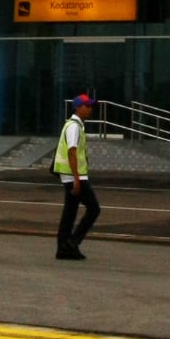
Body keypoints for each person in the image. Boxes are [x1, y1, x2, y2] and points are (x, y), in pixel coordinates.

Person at [56, 92, 100, 260]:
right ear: (77, 107)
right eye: (86, 106)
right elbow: (72, 152)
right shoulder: (74, 126)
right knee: (94, 209)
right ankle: (72, 242)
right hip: (75, 177)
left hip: (71, 176)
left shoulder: (76, 125)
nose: (89, 109)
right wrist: (76, 179)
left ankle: (63, 248)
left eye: (90, 106)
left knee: (70, 213)